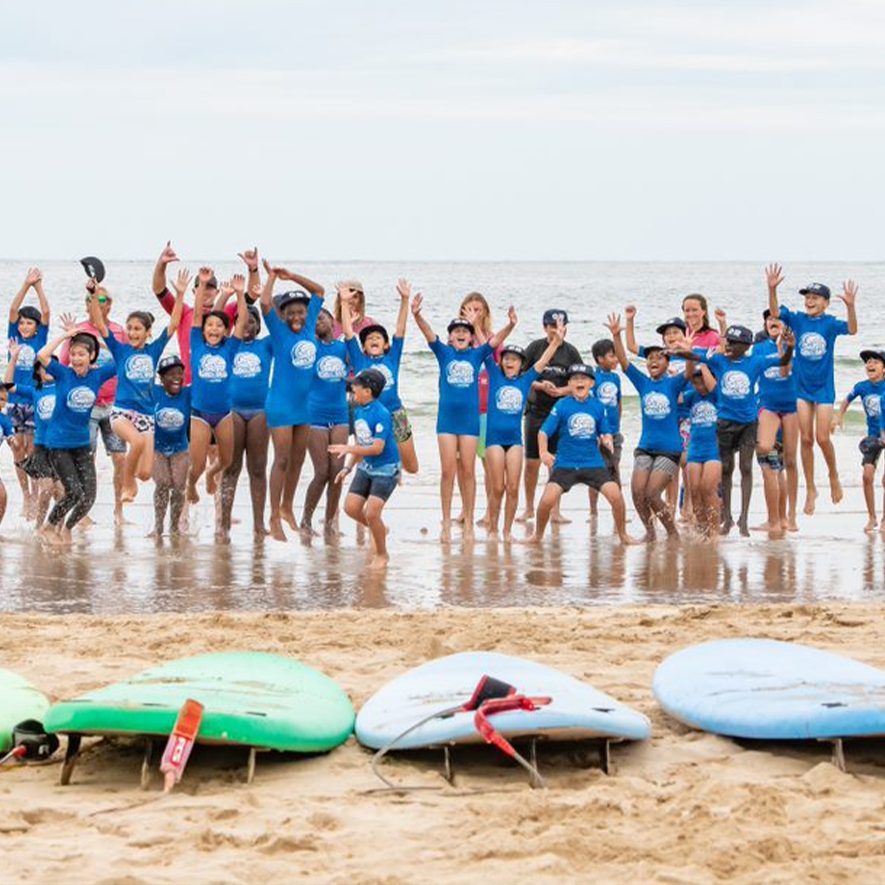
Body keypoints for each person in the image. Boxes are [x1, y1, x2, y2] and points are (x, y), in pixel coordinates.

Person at [670, 320, 791, 537]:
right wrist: (681, 350)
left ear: (746, 346)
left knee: (746, 468)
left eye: (735, 343)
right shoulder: (718, 360)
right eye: (728, 342)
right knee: (726, 470)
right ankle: (727, 518)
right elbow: (695, 356)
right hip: (724, 423)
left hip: (748, 423)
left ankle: (743, 518)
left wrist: (790, 347)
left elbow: (783, 359)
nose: (729, 346)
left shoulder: (755, 361)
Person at [411, 293, 517, 542]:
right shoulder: (443, 352)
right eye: (456, 331)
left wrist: (511, 324)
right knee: (448, 471)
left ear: (471, 338)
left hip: (470, 423)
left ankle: (469, 523)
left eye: (465, 331)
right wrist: (416, 314)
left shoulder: (477, 354)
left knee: (468, 471)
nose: (460, 334)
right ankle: (446, 523)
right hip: (446, 422)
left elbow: (496, 341)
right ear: (450, 336)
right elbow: (428, 333)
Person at [88, 269, 187, 503]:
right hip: (121, 412)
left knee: (145, 473)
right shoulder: (120, 350)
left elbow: (173, 325)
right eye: (129, 328)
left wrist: (180, 295)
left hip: (146, 415)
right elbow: (101, 325)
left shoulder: (153, 350)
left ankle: (135, 480)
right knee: (138, 442)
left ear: (147, 332)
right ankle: (127, 484)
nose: (132, 332)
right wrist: (93, 295)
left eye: (137, 329)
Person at [767, 264, 858, 513]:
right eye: (807, 297)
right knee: (805, 439)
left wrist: (850, 306)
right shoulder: (796, 319)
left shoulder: (829, 324)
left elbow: (852, 329)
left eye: (815, 298)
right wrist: (772, 288)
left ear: (826, 303)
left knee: (822, 437)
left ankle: (833, 475)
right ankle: (810, 488)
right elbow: (775, 312)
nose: (809, 301)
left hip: (824, 389)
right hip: (801, 388)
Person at [524, 363, 637, 545]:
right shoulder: (561, 405)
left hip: (593, 463)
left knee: (616, 496)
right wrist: (544, 453)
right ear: (569, 384)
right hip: (565, 464)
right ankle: (537, 535)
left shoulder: (598, 406)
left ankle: (623, 534)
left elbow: (605, 431)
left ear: (591, 383)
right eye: (575, 379)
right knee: (546, 501)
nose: (579, 382)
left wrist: (607, 439)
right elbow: (543, 432)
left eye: (583, 378)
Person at [259, 260, 326, 542]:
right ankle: (273, 515)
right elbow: (264, 304)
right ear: (283, 315)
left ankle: (287, 507)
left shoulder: (311, 325)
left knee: (298, 460)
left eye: (301, 311)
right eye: (291, 313)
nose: (297, 316)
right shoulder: (279, 331)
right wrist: (272, 278)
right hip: (281, 405)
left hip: (304, 406)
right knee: (282, 459)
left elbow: (319, 291)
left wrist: (293, 276)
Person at [607, 313, 687, 541]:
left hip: (670, 449)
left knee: (653, 494)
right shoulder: (642, 383)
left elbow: (690, 371)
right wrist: (616, 336)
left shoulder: (673, 383)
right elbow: (624, 362)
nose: (653, 361)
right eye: (650, 358)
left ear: (667, 363)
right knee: (637, 493)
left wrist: (687, 349)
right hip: (646, 447)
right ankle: (650, 532)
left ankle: (673, 534)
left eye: (659, 358)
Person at [38, 324, 117, 545]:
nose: (75, 358)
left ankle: (68, 528)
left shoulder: (97, 375)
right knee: (73, 491)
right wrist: (65, 336)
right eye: (73, 354)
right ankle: (48, 526)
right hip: (59, 444)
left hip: (82, 444)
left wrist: (100, 341)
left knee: (89, 496)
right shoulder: (63, 373)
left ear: (91, 356)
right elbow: (42, 355)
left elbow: (121, 358)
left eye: (81, 354)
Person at [482, 323, 562, 540]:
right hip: (494, 441)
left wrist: (554, 343)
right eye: (506, 358)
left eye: (515, 359)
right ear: (501, 362)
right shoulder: (494, 375)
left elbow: (542, 361)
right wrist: (477, 325)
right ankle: (492, 528)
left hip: (514, 441)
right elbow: (485, 346)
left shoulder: (526, 380)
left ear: (521, 365)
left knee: (513, 488)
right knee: (498, 488)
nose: (510, 362)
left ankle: (507, 531)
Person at [61, 285, 128, 526]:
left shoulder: (119, 331)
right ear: (87, 304)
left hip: (114, 405)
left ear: (110, 304)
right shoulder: (78, 331)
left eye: (104, 299)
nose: (99, 303)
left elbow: (127, 362)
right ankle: (83, 511)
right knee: (86, 458)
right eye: (93, 299)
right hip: (85, 408)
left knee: (120, 458)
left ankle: (119, 510)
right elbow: (63, 366)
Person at [187, 268, 247, 521]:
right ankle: (191, 485)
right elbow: (197, 316)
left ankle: (212, 476)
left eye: (219, 326)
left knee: (226, 460)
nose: (213, 328)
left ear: (225, 331)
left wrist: (241, 294)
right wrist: (201, 285)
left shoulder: (230, 349)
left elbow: (242, 322)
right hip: (199, 413)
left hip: (223, 413)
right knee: (198, 464)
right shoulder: (197, 343)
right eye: (209, 325)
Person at [152, 242, 258, 383]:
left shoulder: (227, 311)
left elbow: (253, 294)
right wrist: (161, 264)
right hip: (189, 384)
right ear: (194, 291)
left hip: (219, 382)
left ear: (217, 291)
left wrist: (253, 269)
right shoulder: (182, 311)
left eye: (211, 287)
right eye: (203, 286)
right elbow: (159, 289)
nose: (207, 291)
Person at [342, 278, 417, 474]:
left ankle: (391, 466)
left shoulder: (392, 358)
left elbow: (400, 329)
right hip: (368, 415)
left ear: (385, 344)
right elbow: (348, 332)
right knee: (366, 465)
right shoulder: (360, 360)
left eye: (378, 337)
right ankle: (370, 486)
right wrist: (343, 303)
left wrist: (404, 300)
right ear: (364, 347)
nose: (373, 338)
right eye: (368, 338)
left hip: (395, 413)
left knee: (411, 467)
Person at [329, 368, 399, 570]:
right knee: (350, 508)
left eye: (356, 386)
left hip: (386, 469)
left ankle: (382, 554)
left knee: (371, 513)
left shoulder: (382, 414)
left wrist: (348, 447)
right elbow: (362, 443)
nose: (352, 389)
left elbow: (377, 448)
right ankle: (380, 529)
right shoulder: (358, 410)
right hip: (366, 467)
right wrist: (348, 468)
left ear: (368, 391)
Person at [518, 309, 583, 524]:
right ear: (544, 327)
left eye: (561, 327)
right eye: (552, 327)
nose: (557, 331)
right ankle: (528, 508)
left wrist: (562, 391)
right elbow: (521, 376)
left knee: (556, 463)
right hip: (536, 411)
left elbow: (581, 382)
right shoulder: (535, 348)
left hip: (561, 413)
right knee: (532, 463)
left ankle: (555, 510)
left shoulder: (571, 352)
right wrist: (540, 385)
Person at [219, 303, 272, 540]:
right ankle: (224, 523)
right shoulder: (228, 345)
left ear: (259, 324)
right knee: (231, 468)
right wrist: (234, 296)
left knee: (258, 469)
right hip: (234, 411)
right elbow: (214, 318)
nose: (247, 325)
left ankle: (259, 524)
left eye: (251, 320)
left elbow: (280, 328)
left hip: (260, 411)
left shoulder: (266, 345)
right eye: (241, 320)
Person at [301, 305, 350, 538]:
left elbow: (360, 362)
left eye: (323, 318)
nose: (319, 322)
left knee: (337, 473)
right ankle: (306, 521)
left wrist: (346, 304)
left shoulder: (343, 348)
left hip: (340, 416)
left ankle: (330, 524)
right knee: (321, 472)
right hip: (315, 417)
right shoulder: (311, 348)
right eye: (315, 319)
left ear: (333, 321)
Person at [6, 267, 50, 519]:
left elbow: (46, 313)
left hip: (34, 399)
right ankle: (26, 496)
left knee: (33, 448)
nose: (23, 326)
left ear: (36, 327)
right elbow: (12, 311)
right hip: (13, 400)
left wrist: (38, 287)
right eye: (22, 322)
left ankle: (36, 491)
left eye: (28, 323)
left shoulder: (40, 340)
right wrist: (25, 284)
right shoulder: (14, 337)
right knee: (17, 448)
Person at [3, 342, 60, 528]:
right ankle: (39, 526)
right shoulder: (36, 391)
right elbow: (9, 385)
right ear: (39, 373)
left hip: (62, 447)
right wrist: (13, 358)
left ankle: (58, 527)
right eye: (45, 368)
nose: (49, 370)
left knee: (61, 491)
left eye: (53, 367)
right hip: (43, 447)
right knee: (47, 490)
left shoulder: (64, 389)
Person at [754, 310, 799, 534]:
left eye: (778, 319)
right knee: (774, 466)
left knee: (781, 465)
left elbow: (785, 370)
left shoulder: (793, 345)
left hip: (788, 410)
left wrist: (784, 346)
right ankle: (777, 519)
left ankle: (785, 518)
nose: (773, 321)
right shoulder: (759, 346)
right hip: (767, 408)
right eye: (769, 319)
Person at [833, 349, 885, 532]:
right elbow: (846, 400)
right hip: (873, 437)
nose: (870, 364)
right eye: (868, 362)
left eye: (875, 362)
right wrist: (839, 416)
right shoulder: (862, 387)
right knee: (867, 476)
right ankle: (872, 518)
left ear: (884, 368)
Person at [459, 292, 495, 527]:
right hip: (462, 409)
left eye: (478, 309)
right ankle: (466, 509)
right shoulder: (458, 338)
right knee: (463, 464)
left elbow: (494, 361)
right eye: (468, 309)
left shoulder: (491, 338)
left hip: (485, 409)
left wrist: (477, 330)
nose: (473, 314)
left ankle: (491, 511)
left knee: (487, 464)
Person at [151, 355, 191, 538]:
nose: (176, 378)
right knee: (162, 484)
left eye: (180, 374)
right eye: (171, 375)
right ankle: (158, 527)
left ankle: (174, 527)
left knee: (179, 486)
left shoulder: (188, 394)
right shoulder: (153, 392)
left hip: (180, 447)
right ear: (161, 378)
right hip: (157, 448)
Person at [681, 366, 721, 540]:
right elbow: (675, 398)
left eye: (703, 382)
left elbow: (715, 387)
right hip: (695, 448)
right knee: (695, 489)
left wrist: (705, 367)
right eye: (696, 383)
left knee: (708, 488)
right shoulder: (692, 396)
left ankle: (714, 531)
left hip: (714, 448)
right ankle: (701, 528)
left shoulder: (718, 395)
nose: (700, 387)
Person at [589, 338, 624, 517]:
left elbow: (618, 403)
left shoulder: (616, 377)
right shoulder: (593, 378)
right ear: (600, 359)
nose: (616, 359)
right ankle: (593, 511)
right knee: (595, 471)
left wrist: (615, 427)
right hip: (596, 435)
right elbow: (591, 406)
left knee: (614, 469)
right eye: (612, 356)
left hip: (614, 433)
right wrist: (596, 434)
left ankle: (618, 509)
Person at [0, 385, 14, 526]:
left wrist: (12, 440)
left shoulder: (4, 420)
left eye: (4, 400)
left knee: (2, 496)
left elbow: (10, 435)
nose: (1, 403)